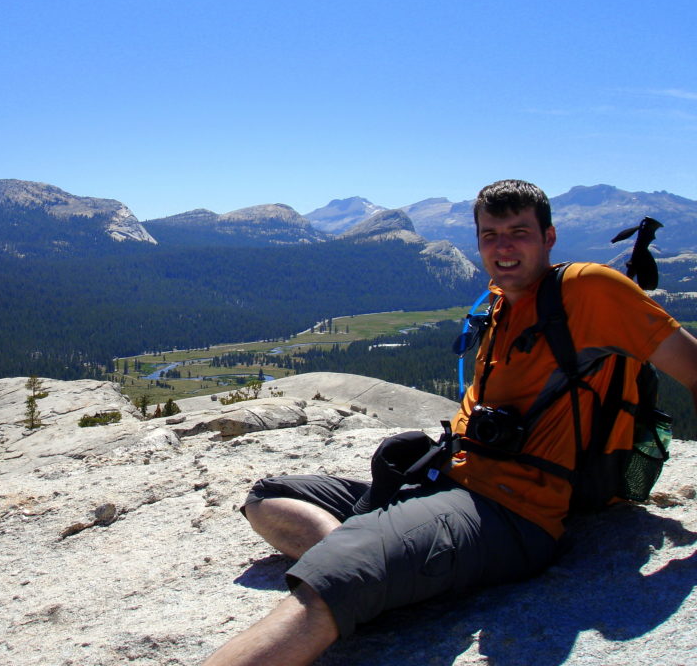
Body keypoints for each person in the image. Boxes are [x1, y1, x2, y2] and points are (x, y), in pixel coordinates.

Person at [203, 179, 697, 666]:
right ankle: (384, 569)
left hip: (511, 511)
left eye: (519, 232)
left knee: (346, 567)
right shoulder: (504, 301)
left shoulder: (588, 290)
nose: (503, 247)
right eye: (490, 235)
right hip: (447, 480)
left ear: (549, 237)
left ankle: (365, 568)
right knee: (268, 497)